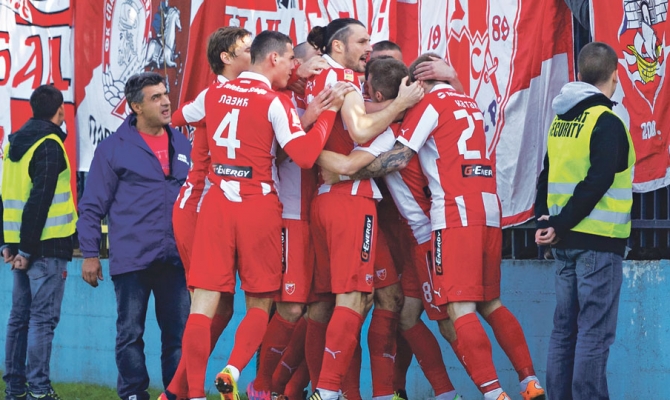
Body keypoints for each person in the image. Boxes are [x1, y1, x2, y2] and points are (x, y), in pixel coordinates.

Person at [339, 52, 546, 400]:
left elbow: (400, 156)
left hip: (452, 216)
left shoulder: (427, 107)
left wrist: (345, 171)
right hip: (488, 208)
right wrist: (453, 77)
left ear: (417, 83)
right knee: (489, 303)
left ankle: (491, 393)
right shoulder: (467, 101)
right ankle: (529, 380)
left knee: (457, 311)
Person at [171, 30, 344, 400]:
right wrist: (327, 115)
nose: (294, 67)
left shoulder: (213, 93)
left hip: (216, 203)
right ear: (274, 59)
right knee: (260, 303)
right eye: (290, 59)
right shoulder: (274, 102)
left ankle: (194, 394)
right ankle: (233, 369)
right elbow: (304, 156)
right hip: (258, 205)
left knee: (202, 306)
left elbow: (179, 116)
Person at [317, 56, 464, 400]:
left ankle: (476, 389)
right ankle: (385, 392)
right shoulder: (418, 113)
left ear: (378, 95)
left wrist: (301, 146)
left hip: (426, 233)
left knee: (441, 317)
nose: (362, 94)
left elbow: (350, 165)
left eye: (366, 88)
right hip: (407, 230)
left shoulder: (395, 131)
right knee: (400, 312)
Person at [303, 18, 423, 400]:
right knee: (352, 299)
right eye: (362, 41)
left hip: (330, 199)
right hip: (349, 202)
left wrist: (311, 153)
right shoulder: (343, 80)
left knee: (370, 298)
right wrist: (401, 104)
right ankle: (328, 391)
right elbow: (357, 132)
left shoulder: (316, 78)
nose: (369, 48)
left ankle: (373, 393)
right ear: (338, 47)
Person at [77, 72, 192, 400]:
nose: (166, 102)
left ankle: (176, 395)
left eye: (165, 94)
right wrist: (90, 254)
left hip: (176, 258)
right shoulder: (113, 148)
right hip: (132, 258)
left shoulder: (182, 143)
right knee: (130, 334)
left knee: (179, 336)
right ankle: (133, 393)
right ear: (136, 107)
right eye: (156, 97)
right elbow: (92, 205)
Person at [535, 41, 634, 400]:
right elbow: (599, 181)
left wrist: (546, 223)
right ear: (615, 76)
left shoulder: (560, 122)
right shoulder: (607, 121)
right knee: (594, 332)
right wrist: (558, 224)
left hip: (564, 244)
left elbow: (546, 176)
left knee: (565, 331)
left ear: (579, 75)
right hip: (599, 243)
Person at [163, 26, 252, 400]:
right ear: (226, 58)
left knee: (223, 307)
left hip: (212, 207)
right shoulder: (215, 94)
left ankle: (175, 392)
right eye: (246, 49)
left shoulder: (238, 93)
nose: (253, 53)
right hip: (198, 207)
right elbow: (177, 116)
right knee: (208, 303)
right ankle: (189, 393)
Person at [1, 84, 77, 400]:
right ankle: (40, 390)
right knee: (41, 321)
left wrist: (9, 245)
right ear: (60, 111)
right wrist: (26, 249)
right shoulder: (49, 145)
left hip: (21, 246)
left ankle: (15, 388)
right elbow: (40, 199)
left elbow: (6, 194)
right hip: (44, 248)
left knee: (20, 319)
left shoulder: (13, 144)